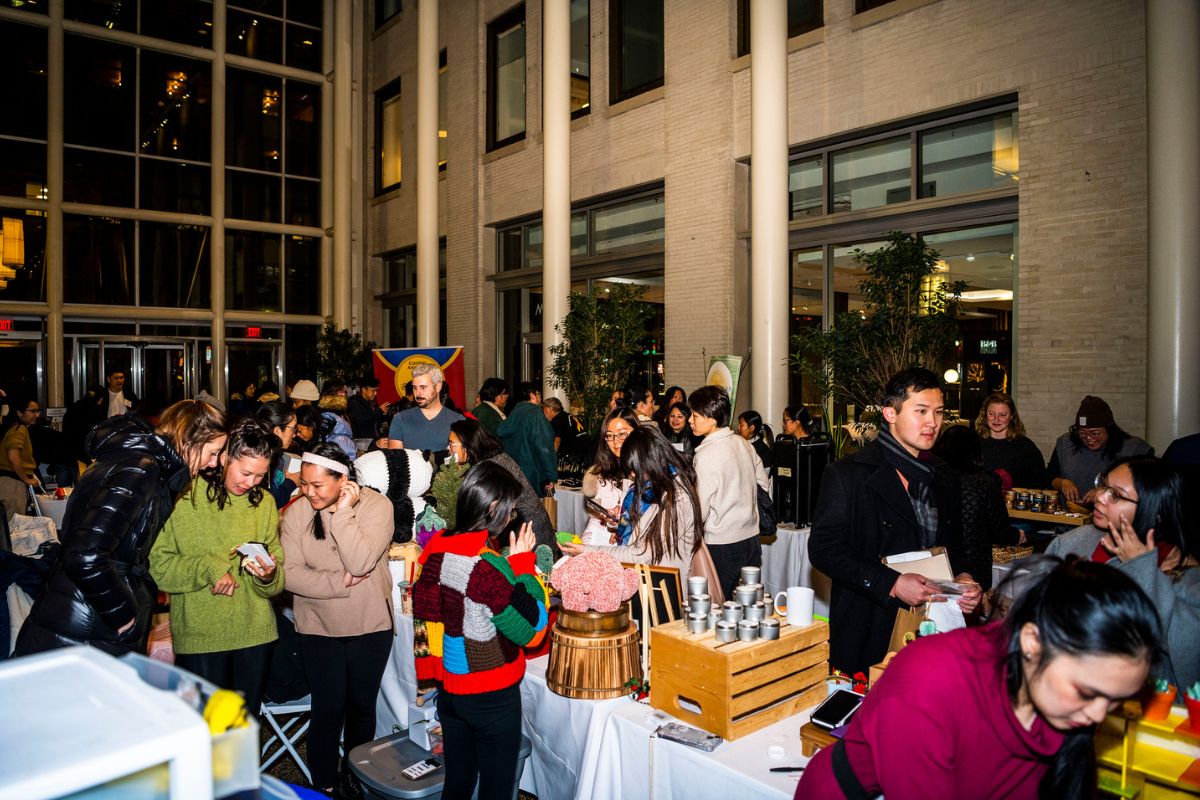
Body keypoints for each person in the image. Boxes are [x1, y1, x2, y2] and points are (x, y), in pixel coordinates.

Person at [795, 558, 1162, 800]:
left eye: (1113, 701)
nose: (1098, 716)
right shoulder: (930, 681)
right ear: (1033, 641)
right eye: (1087, 693)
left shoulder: (1064, 695)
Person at [15, 400, 228, 655]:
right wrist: (122, 614)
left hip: (78, 610)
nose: (214, 463)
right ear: (189, 440)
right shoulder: (141, 469)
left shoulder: (129, 460)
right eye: (213, 452)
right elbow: (85, 555)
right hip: (88, 620)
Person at [808, 368, 980, 675]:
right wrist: (891, 583)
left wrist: (964, 577)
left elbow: (955, 543)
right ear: (890, 413)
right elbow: (824, 549)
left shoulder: (944, 474)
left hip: (934, 620)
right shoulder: (849, 474)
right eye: (921, 411)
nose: (933, 422)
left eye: (939, 412)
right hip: (870, 620)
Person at [412, 461, 550, 800]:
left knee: (456, 784)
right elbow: (532, 630)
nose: (512, 517)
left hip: (450, 692)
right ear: (493, 509)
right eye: (509, 509)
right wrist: (522, 567)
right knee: (496, 789)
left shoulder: (436, 549)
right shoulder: (487, 567)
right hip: (491, 695)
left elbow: (424, 618)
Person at [279, 443, 395, 797]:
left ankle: (359, 779)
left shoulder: (378, 507)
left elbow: (360, 562)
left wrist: (343, 511)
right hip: (317, 625)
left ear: (343, 480)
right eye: (304, 484)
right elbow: (287, 574)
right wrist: (336, 582)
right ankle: (324, 785)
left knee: (361, 708)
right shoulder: (298, 513)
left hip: (369, 624)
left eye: (317, 486)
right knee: (327, 709)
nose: (307, 492)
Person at [149, 418, 284, 716]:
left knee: (243, 727)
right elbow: (157, 565)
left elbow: (277, 578)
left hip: (255, 633)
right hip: (200, 635)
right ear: (223, 458)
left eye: (261, 476)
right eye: (245, 472)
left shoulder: (263, 503)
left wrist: (269, 573)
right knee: (203, 728)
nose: (251, 483)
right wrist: (208, 567)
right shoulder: (185, 497)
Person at [1047, 456, 1200, 689]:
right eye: (1103, 485)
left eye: (1115, 495)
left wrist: (1142, 568)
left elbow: (1186, 658)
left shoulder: (1185, 572)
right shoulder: (1072, 544)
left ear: (1156, 510)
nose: (1099, 496)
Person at [562, 425, 703, 582]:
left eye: (636, 469)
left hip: (660, 587)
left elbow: (640, 554)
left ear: (651, 460)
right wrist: (621, 524)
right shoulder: (659, 485)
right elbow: (645, 530)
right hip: (648, 579)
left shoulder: (676, 498)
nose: (633, 474)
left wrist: (586, 550)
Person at [689, 385, 769, 599]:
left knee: (718, 607)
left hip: (722, 543)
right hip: (751, 539)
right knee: (747, 607)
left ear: (712, 419)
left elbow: (701, 506)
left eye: (695, 415)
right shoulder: (744, 445)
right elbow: (763, 484)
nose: (690, 420)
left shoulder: (707, 454)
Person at [448, 418, 558, 556]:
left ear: (467, 445)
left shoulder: (491, 468)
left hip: (526, 530)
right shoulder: (493, 457)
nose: (448, 449)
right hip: (523, 524)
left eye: (452, 444)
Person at [933, 424, 1019, 590]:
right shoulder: (984, 482)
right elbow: (1000, 530)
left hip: (939, 563)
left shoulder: (933, 477)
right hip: (974, 565)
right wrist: (1017, 535)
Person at [1048, 395, 1153, 503]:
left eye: (1095, 433)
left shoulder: (1134, 449)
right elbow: (1049, 477)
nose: (1088, 438)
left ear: (1109, 429)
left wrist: (1107, 491)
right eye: (1082, 433)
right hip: (1070, 515)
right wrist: (1063, 483)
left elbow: (1148, 488)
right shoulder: (1065, 444)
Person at [582, 407, 637, 545]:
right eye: (610, 435)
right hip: (602, 539)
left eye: (622, 434)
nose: (615, 441)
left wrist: (624, 526)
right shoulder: (602, 473)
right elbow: (594, 522)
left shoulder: (646, 470)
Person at [974, 392, 1047, 489]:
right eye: (991, 414)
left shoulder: (1026, 447)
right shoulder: (973, 443)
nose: (996, 419)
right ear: (984, 415)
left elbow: (1040, 482)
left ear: (1012, 416)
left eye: (1002, 415)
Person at [496, 381, 557, 496]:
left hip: (511, 474)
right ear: (532, 395)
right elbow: (544, 447)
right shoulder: (536, 415)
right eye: (539, 394)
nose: (540, 399)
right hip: (532, 477)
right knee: (535, 512)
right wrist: (550, 475)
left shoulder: (513, 414)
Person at [387, 363, 464, 453]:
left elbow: (461, 461)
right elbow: (396, 461)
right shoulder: (400, 419)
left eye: (423, 387)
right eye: (415, 388)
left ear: (438, 386)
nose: (418, 393)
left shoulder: (458, 421)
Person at [0, 397, 42, 524]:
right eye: (33, 411)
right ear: (19, 413)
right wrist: (26, 478)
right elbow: (13, 458)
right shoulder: (18, 429)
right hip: (12, 483)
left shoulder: (13, 428)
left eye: (38, 411)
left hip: (10, 481)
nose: (37, 414)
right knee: (13, 526)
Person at [256, 400, 302, 508]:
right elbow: (268, 501)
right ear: (277, 431)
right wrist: (291, 482)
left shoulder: (277, 457)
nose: (294, 434)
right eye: (293, 428)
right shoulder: (260, 460)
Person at [346, 377, 388, 442]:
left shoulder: (371, 402)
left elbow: (374, 421)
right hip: (362, 443)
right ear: (364, 390)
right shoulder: (354, 403)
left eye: (377, 391)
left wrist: (384, 414)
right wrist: (379, 411)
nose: (376, 393)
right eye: (373, 391)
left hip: (372, 440)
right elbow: (363, 424)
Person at [737, 409, 774, 475]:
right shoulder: (739, 443)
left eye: (741, 425)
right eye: (738, 424)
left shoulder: (763, 450)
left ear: (751, 428)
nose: (738, 427)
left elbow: (764, 476)